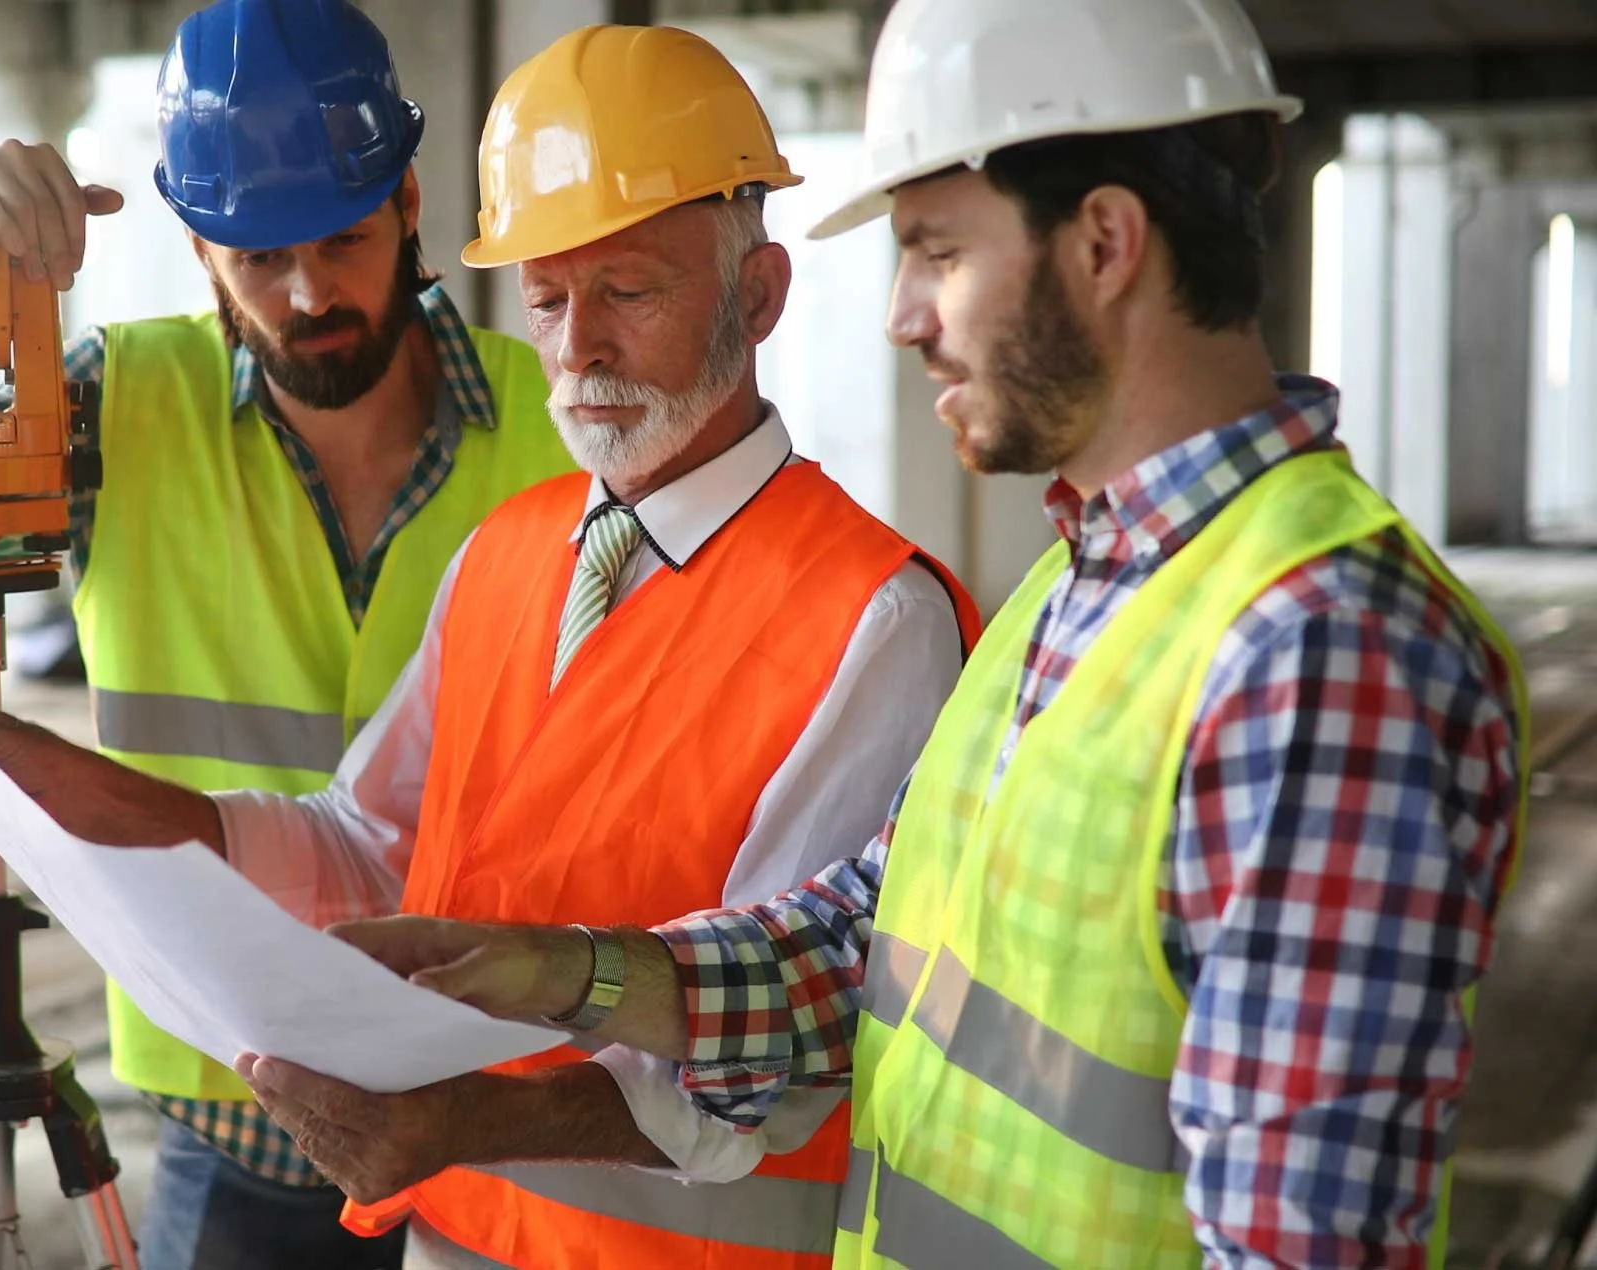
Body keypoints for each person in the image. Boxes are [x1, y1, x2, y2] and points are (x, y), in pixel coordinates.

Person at [309, 0, 1532, 1265]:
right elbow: (854, 949)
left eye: (936, 251)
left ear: (1103, 242)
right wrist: (560, 972)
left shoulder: (1319, 656)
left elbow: (1297, 1245)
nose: (900, 314)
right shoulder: (1075, 595)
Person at [0, 23, 977, 1270]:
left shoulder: (871, 615)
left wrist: (461, 1120)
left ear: (761, 294)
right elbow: (364, 849)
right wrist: (37, 774)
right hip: (452, 1242)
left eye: (628, 291)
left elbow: (787, 1048)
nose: (579, 350)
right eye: (551, 299)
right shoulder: (509, 553)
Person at [0, 0, 577, 1264]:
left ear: (409, 204)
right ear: (200, 248)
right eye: (259, 258)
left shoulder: (562, 432)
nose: (310, 292)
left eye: (344, 239)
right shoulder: (110, 405)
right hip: (233, 1104)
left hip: (501, 1098)